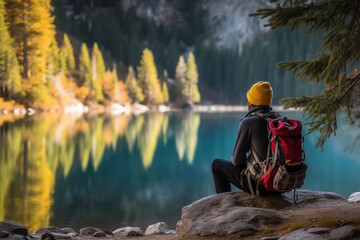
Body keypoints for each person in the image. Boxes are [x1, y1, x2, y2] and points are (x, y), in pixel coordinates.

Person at [211, 81, 278, 195]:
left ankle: (224, 203)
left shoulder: (249, 122)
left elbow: (236, 162)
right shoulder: (277, 120)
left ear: (251, 102)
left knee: (217, 165)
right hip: (278, 183)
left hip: (261, 185)